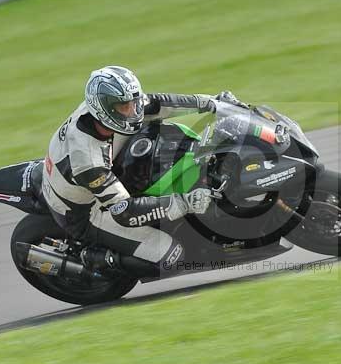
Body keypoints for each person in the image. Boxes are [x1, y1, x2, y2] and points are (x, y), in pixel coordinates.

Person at [41, 65, 233, 280]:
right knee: (171, 256)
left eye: (133, 102)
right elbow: (124, 212)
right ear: (104, 108)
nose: (133, 111)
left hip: (103, 168)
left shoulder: (110, 112)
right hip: (86, 211)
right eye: (125, 106)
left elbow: (158, 104)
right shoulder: (87, 160)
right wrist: (186, 202)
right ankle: (99, 261)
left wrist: (212, 103)